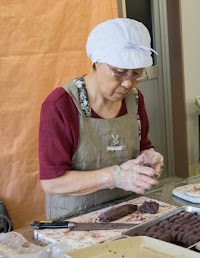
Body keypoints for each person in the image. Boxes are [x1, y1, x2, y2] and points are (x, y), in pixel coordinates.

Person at [39, 18, 164, 220]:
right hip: (76, 221)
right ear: (96, 62)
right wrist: (114, 177)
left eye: (137, 74)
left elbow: (142, 144)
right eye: (119, 73)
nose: (127, 83)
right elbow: (52, 182)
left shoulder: (135, 99)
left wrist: (148, 157)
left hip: (129, 213)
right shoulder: (60, 105)